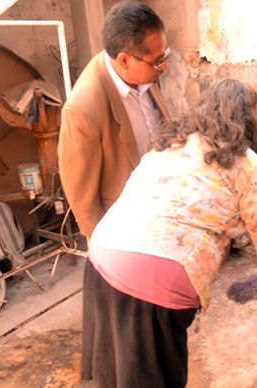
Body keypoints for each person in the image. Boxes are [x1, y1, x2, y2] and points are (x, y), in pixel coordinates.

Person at [83, 78, 257, 388]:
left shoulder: (172, 144)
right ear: (247, 121)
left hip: (103, 253)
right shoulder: (243, 165)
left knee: (115, 374)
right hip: (155, 278)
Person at [58, 0, 171, 240]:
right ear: (124, 60)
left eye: (164, 56)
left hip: (162, 209)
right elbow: (82, 199)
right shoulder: (83, 111)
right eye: (157, 60)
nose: (164, 65)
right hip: (125, 226)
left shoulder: (143, 72)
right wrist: (103, 249)